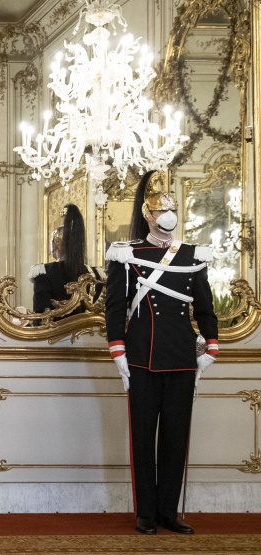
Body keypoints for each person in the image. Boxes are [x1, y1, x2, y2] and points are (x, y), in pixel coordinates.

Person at [105, 170, 218, 536]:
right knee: (142, 438)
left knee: (175, 438)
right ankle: (146, 513)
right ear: (148, 214)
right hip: (141, 357)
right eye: (161, 210)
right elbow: (115, 308)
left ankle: (169, 512)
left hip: (182, 358)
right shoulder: (127, 254)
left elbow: (205, 307)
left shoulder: (192, 255)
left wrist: (211, 348)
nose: (168, 216)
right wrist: (118, 352)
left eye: (173, 209)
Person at [30, 204, 105, 320]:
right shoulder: (97, 273)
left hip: (55, 337)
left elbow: (40, 318)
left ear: (57, 243)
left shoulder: (44, 272)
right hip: (90, 336)